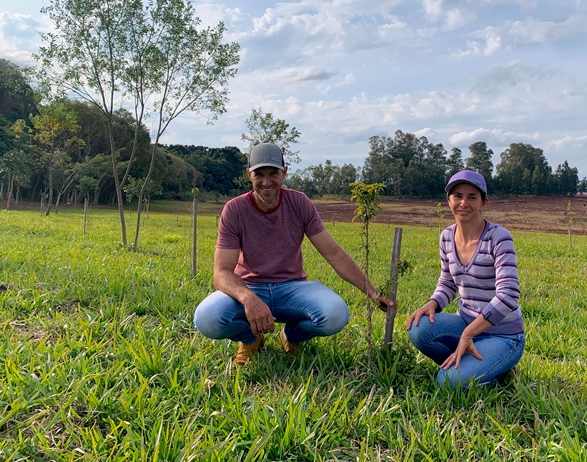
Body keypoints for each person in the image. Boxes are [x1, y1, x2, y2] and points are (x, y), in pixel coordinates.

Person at [194, 143, 394, 366]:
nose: (267, 182)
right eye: (259, 174)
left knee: (335, 314)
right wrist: (248, 298)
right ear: (249, 174)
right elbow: (222, 271)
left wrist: (374, 293)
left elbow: (334, 253)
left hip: (292, 287)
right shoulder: (235, 209)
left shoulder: (299, 203)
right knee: (206, 318)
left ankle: (292, 336)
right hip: (250, 287)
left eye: (273, 174)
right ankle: (251, 338)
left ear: (285, 172)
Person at [406, 169, 525, 387]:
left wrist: (469, 333)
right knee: (418, 328)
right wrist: (433, 303)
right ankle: (474, 366)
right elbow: (448, 282)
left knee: (447, 383)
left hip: (503, 336)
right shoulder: (446, 237)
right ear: (449, 200)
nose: (464, 203)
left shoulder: (499, 238)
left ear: (483, 202)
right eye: (458, 196)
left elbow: (509, 295)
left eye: (472, 197)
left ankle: (493, 369)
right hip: (465, 323)